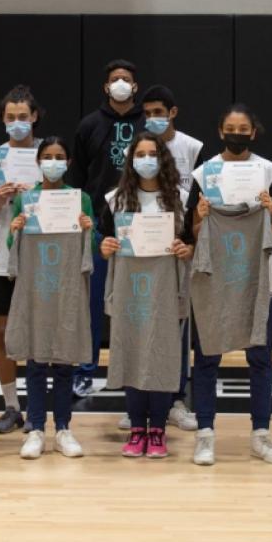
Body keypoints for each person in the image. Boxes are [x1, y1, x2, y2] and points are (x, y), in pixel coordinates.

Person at [188, 104, 272, 466]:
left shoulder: (268, 172)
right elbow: (194, 233)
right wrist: (200, 217)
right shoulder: (205, 174)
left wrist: (269, 211)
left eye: (244, 129)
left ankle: (261, 434)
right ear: (220, 131)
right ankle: (205, 434)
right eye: (231, 128)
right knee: (207, 356)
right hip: (215, 277)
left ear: (253, 133)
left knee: (260, 356)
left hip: (257, 276)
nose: (237, 134)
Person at [100, 133, 195, 458]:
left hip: (166, 287)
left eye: (152, 153)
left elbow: (190, 241)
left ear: (163, 158)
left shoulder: (180, 199)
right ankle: (137, 427)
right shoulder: (116, 199)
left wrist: (186, 249)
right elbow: (105, 240)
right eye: (139, 154)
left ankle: (158, 430)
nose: (146, 160)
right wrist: (105, 246)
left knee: (162, 355)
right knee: (132, 351)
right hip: (130, 287)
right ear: (131, 160)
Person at [6, 137, 95, 459]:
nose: (53, 162)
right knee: (35, 361)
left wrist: (89, 228)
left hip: (67, 288)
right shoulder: (26, 199)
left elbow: (91, 248)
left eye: (59, 157)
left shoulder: (80, 199)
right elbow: (11, 247)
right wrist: (14, 229)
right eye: (47, 156)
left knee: (64, 363)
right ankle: (36, 429)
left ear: (68, 163)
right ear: (38, 161)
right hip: (36, 289)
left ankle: (63, 429)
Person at [68, 59, 147, 397]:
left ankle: (136, 370)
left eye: (126, 78)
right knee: (92, 304)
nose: (120, 83)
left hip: (141, 228)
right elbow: (78, 178)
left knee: (136, 305)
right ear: (106, 87)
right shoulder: (89, 125)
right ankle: (85, 370)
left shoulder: (147, 124)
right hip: (99, 228)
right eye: (115, 79)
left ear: (135, 86)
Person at [137, 84, 203, 431]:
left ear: (173, 112)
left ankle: (175, 399)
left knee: (176, 329)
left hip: (178, 247)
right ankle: (139, 400)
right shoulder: (139, 149)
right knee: (140, 325)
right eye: (147, 114)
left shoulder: (193, 147)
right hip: (141, 254)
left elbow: (199, 199)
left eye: (159, 113)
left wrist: (189, 242)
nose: (153, 119)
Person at [0, 85, 44, 434]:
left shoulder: (50, 155)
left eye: (23, 116)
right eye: (10, 117)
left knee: (36, 332)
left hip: (40, 258)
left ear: (34, 117)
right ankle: (11, 406)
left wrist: (36, 198)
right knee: (1, 332)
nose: (17, 123)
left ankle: (37, 407)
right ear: (3, 121)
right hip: (1, 260)